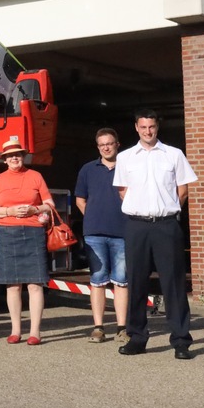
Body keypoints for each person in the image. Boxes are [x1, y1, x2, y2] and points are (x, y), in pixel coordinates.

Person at [114, 110, 198, 360]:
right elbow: (123, 191)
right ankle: (137, 338)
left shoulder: (174, 154)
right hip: (136, 226)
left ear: (157, 127)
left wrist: (164, 210)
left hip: (166, 225)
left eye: (151, 127)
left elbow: (182, 190)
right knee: (136, 282)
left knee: (173, 283)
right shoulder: (125, 157)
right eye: (143, 127)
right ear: (136, 128)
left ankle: (181, 341)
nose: (147, 131)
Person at [0, 135, 55, 345]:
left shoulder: (36, 176)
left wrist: (35, 209)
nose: (14, 158)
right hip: (7, 232)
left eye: (17, 154)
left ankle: (35, 332)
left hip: (33, 232)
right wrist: (10, 210)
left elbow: (49, 204)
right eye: (10, 156)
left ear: (23, 157)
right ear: (4, 160)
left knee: (35, 284)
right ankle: (15, 330)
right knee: (12, 285)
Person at [76, 127, 130, 344]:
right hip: (94, 234)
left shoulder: (129, 168)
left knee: (121, 281)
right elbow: (80, 199)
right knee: (97, 281)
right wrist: (92, 216)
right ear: (98, 147)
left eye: (109, 143)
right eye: (102, 144)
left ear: (118, 144)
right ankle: (98, 327)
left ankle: (122, 328)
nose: (106, 147)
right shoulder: (88, 170)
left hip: (123, 232)